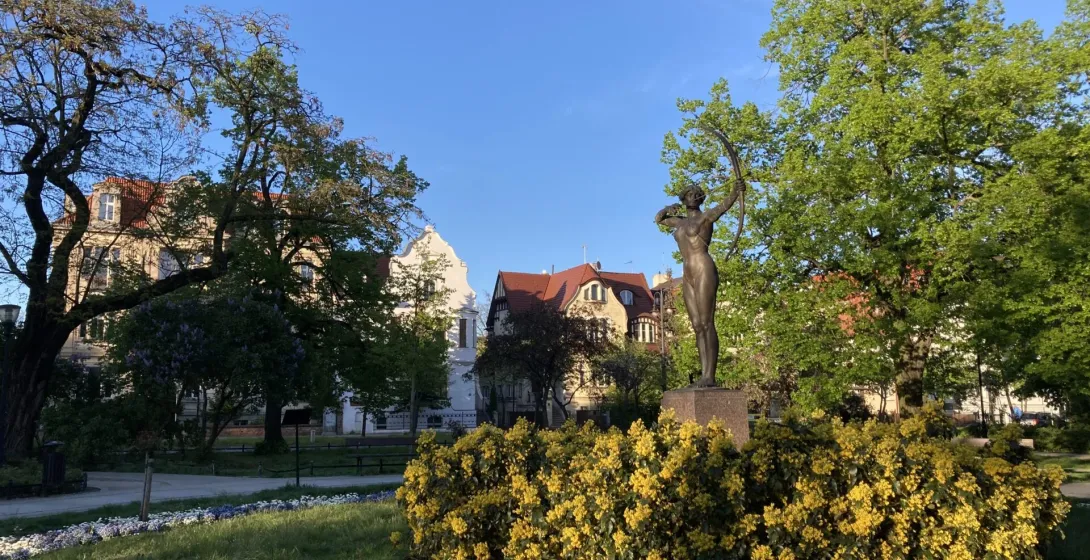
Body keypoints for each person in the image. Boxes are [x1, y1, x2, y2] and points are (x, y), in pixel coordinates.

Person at [655, 179, 743, 387]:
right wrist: (668, 209)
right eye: (689, 194)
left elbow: (725, 205)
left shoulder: (706, 217)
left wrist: (736, 190)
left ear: (701, 198)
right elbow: (659, 219)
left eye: (696, 195)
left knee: (706, 322)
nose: (692, 197)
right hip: (687, 272)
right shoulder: (679, 222)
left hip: (703, 267)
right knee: (696, 325)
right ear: (683, 199)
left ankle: (709, 376)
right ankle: (704, 375)